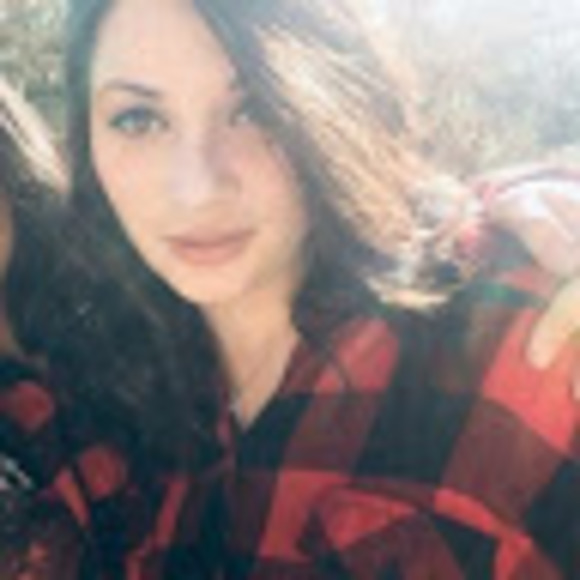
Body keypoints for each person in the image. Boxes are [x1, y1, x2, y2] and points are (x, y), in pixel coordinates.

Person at [1, 0, 579, 577]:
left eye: (255, 108)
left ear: (341, 99)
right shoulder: (119, 400)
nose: (196, 188)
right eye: (138, 119)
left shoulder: (522, 332)